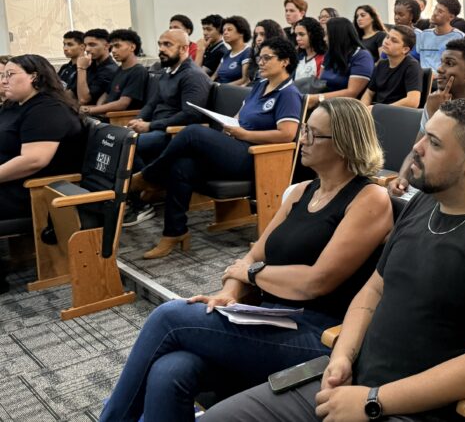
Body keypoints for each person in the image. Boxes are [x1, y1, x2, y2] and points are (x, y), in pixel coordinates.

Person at [202, 100, 465, 422]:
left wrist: (375, 399)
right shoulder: (424, 204)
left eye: (433, 143)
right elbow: (372, 291)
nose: (415, 148)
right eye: (423, 135)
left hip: (412, 409)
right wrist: (342, 356)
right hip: (352, 382)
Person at [100, 98, 393, 422]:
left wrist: (253, 274)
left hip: (318, 332)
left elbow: (316, 281)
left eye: (313, 134)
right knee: (170, 370)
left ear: (343, 144)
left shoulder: (370, 198)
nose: (302, 140)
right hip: (265, 315)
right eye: (305, 131)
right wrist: (230, 294)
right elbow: (254, 254)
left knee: (170, 316)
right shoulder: (301, 192)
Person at [133, 37, 304, 259]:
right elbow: (240, 115)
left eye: (267, 58)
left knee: (193, 132)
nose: (260, 62)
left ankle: (149, 176)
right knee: (182, 166)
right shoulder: (260, 86)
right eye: (259, 57)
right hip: (236, 146)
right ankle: (174, 232)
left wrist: (246, 134)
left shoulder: (288, 93)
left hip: (256, 157)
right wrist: (229, 123)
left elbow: (287, 134)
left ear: (285, 62)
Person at [387, 38, 465, 200]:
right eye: (441, 62)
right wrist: (402, 177)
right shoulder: (436, 103)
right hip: (427, 189)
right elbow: (416, 151)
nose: (440, 69)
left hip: (459, 197)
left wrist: (436, 114)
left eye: (449, 64)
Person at [0, 55, 83, 230]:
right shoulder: (15, 104)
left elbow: (34, 160)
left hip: (32, 190)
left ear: (34, 77)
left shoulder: (47, 110)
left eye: (10, 75)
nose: (4, 81)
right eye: (3, 76)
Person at [127, 30, 213, 171]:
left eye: (167, 44)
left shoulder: (193, 76)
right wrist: (140, 119)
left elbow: (190, 114)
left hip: (172, 133)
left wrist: (150, 126)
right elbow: (153, 102)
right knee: (114, 140)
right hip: (157, 127)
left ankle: (149, 183)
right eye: (160, 44)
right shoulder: (168, 72)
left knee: (126, 145)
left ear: (184, 48)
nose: (161, 49)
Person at [79, 29, 148, 118]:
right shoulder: (119, 70)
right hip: (106, 115)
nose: (113, 51)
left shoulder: (138, 71)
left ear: (132, 47)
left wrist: (91, 110)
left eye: (117, 46)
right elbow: (106, 95)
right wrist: (98, 108)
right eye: (112, 47)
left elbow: (123, 103)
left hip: (122, 118)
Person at [310, 17, 374, 106]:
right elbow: (320, 82)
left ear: (338, 36)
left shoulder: (362, 56)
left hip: (347, 107)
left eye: (327, 35)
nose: (324, 39)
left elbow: (351, 93)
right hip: (326, 103)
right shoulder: (330, 54)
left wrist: (317, 98)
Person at [361, 25, 422, 108]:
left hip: (396, 115)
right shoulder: (381, 64)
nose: (386, 41)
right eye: (387, 37)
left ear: (405, 49)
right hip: (378, 112)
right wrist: (363, 111)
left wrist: (380, 110)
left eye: (394, 41)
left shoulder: (412, 66)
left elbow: (413, 101)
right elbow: (369, 93)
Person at [415, 0, 465, 70]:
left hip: (442, 78)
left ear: (451, 17)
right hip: (422, 78)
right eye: (435, 8)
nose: (434, 13)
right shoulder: (424, 34)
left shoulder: (459, 37)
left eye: (440, 11)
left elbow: (457, 67)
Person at [75, 28, 119, 106]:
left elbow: (84, 99)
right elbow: (72, 92)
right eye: (85, 45)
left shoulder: (110, 70)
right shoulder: (90, 64)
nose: (87, 49)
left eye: (92, 45)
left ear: (107, 46)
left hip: (95, 114)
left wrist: (81, 69)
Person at [212, 15, 252, 85]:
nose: (225, 33)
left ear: (241, 32)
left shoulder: (247, 52)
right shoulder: (227, 54)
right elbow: (215, 76)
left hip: (232, 92)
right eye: (224, 30)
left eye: (229, 30)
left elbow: (245, 80)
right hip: (219, 90)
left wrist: (222, 87)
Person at [244, 19, 286, 86]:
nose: (258, 39)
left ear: (272, 35)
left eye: (262, 34)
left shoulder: (280, 57)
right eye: (256, 35)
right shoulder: (255, 55)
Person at [293, 16, 327, 86]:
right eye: (296, 35)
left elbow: (319, 87)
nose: (297, 38)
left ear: (313, 34)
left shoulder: (323, 58)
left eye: (301, 34)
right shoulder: (298, 57)